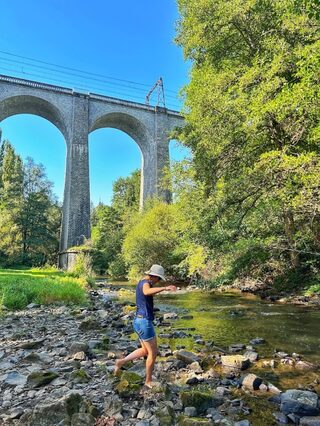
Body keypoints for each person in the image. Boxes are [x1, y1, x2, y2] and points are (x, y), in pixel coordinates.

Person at [114, 264, 177, 388]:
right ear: (153, 276)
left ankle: (121, 362)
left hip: (138, 321)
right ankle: (148, 381)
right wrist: (165, 288)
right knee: (153, 353)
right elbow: (146, 291)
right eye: (158, 279)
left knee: (145, 350)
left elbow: (147, 294)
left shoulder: (142, 282)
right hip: (144, 323)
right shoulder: (145, 284)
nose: (158, 282)